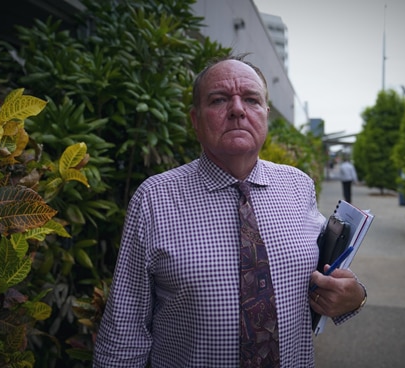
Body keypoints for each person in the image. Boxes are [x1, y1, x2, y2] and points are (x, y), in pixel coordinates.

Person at [93, 55, 367, 367]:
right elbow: (126, 330)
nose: (237, 109)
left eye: (251, 99)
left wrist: (355, 295)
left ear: (265, 115)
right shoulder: (154, 199)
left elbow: (326, 271)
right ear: (195, 120)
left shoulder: (299, 186)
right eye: (219, 99)